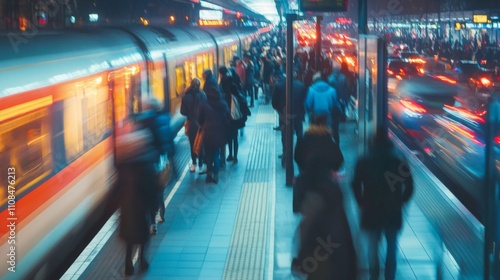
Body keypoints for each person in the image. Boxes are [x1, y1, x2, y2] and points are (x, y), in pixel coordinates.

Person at [292, 115, 357, 280]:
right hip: (337, 267)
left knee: (308, 227)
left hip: (308, 186)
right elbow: (339, 160)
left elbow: (297, 157)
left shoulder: (303, 139)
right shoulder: (330, 141)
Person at [351, 128, 414, 280]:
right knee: (392, 246)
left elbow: (354, 185)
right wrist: (401, 201)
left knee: (372, 247)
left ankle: (374, 276)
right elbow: (410, 186)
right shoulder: (398, 161)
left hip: (371, 209)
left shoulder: (363, 160)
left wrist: (361, 202)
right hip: (392, 210)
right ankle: (389, 276)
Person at [116, 123, 157, 276]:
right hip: (141, 208)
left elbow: (117, 189)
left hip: (127, 208)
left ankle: (128, 265)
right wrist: (152, 208)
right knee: (143, 236)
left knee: (129, 239)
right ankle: (142, 260)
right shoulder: (146, 165)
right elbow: (152, 189)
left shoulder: (123, 166)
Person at [199, 69, 231, 183]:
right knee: (216, 153)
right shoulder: (222, 103)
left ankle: (209, 175)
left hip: (207, 133)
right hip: (219, 133)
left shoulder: (204, 103)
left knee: (208, 155)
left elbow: (199, 118)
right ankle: (216, 174)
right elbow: (228, 117)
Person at [304, 72, 342, 145]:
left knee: (316, 134)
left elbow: (307, 105)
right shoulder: (332, 90)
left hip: (315, 116)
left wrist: (310, 112)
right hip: (328, 115)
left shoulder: (311, 90)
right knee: (327, 133)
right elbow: (335, 104)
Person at [181, 77, 207, 173]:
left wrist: (189, 113)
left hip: (191, 123)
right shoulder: (202, 95)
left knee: (192, 144)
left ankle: (194, 164)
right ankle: (201, 163)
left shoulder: (186, 96)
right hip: (201, 123)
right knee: (200, 143)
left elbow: (182, 111)